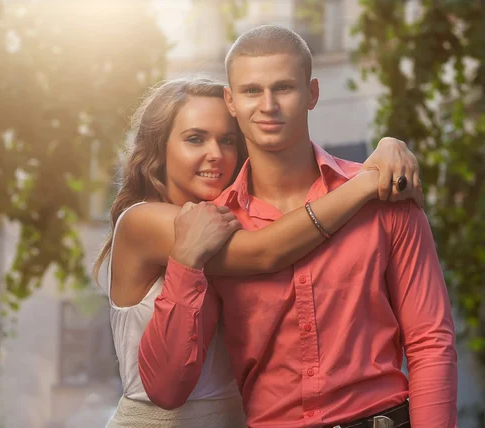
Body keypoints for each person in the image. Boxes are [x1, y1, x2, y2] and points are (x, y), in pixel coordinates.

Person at [138, 26, 457, 428]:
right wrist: (186, 264)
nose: (268, 105)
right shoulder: (213, 228)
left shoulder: (385, 196)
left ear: (312, 93)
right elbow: (166, 389)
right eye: (252, 90)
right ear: (231, 101)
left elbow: (431, 342)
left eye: (284, 88)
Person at [94, 76, 423, 428]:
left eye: (228, 140)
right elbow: (264, 253)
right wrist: (366, 182)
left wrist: (390, 148)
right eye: (195, 138)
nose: (216, 154)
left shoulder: (233, 219)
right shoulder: (142, 221)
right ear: (159, 147)